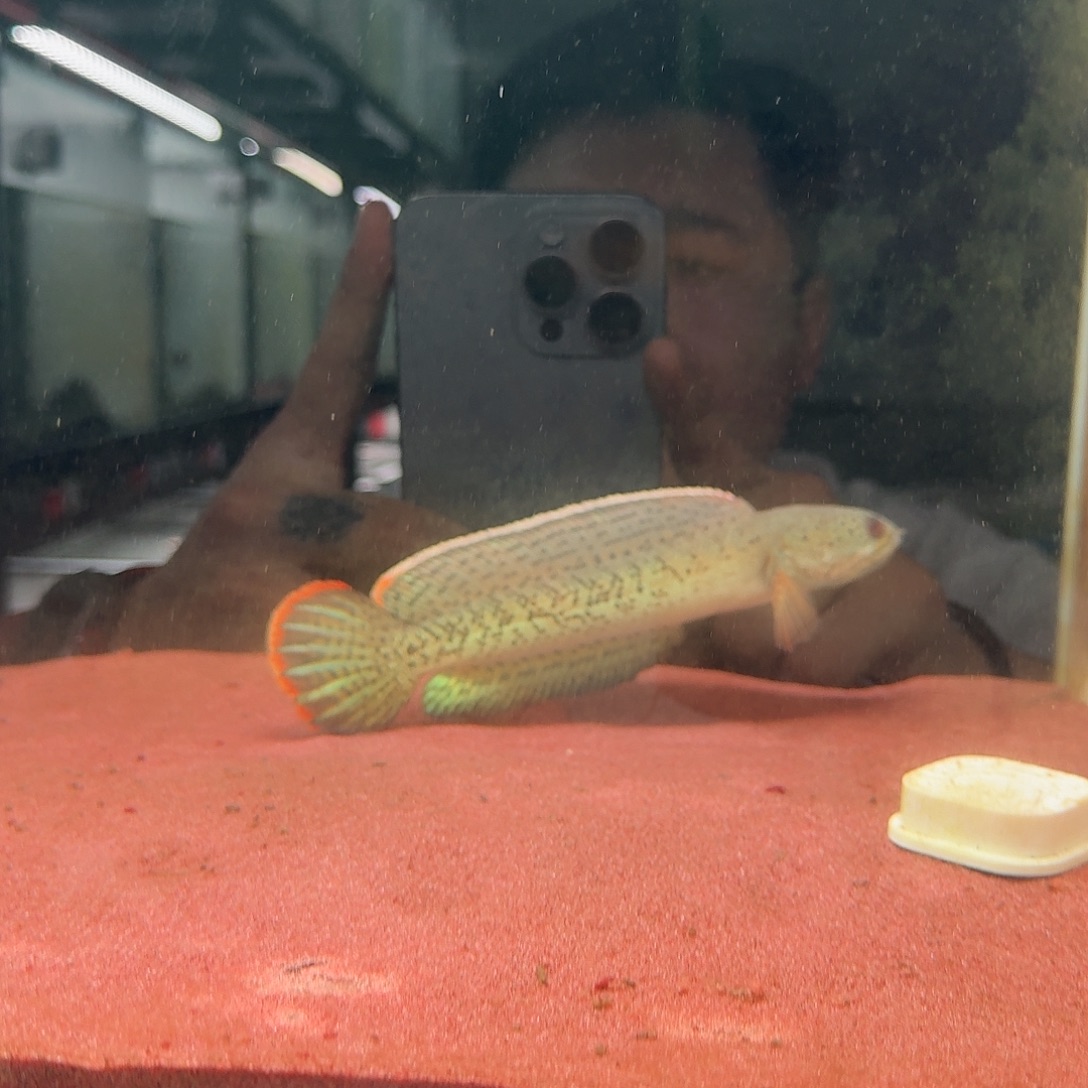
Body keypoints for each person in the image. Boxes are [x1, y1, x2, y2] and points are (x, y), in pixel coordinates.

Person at [1, 1, 1056, 684]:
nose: (634, 320)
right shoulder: (298, 557)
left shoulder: (957, 574)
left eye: (681, 261)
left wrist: (958, 670)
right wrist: (127, 645)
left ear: (808, 329)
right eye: (543, 269)